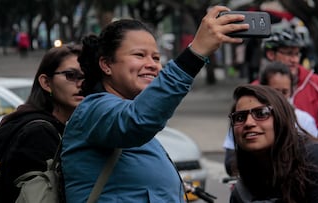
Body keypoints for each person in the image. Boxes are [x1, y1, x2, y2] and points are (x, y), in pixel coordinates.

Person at [61, 5, 249, 203]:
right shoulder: (93, 110)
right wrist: (194, 54)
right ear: (106, 65)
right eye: (139, 55)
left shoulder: (129, 114)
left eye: (156, 57)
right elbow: (137, 120)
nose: (152, 64)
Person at [0, 44, 84, 203]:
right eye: (71, 75)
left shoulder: (63, 127)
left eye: (88, 76)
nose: (82, 83)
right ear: (46, 83)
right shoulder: (38, 133)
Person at [228, 84, 318, 203]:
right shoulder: (241, 192)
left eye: (261, 113)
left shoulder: (317, 159)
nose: (248, 123)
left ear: (281, 119)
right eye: (240, 117)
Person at [223, 61, 318, 176]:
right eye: (275, 91)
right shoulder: (241, 121)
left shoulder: (305, 121)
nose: (249, 123)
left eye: (285, 92)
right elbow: (230, 162)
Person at [262, 28, 318, 127]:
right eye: (289, 53)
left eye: (297, 54)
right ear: (271, 54)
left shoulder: (316, 83)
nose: (294, 59)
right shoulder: (258, 87)